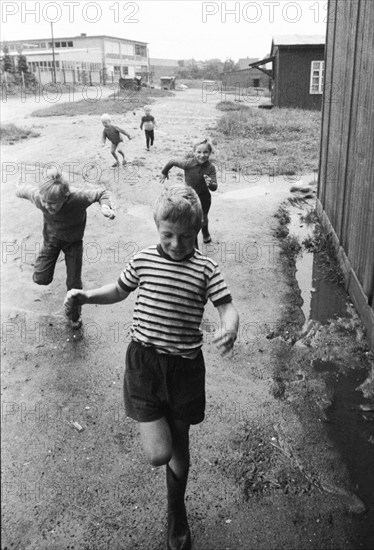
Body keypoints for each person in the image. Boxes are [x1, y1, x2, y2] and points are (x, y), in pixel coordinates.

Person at [64, 184, 239, 549]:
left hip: (186, 369)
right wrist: (86, 296)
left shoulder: (206, 267)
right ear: (157, 227)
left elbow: (226, 307)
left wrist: (230, 327)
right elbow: (118, 289)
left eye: (187, 236)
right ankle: (174, 498)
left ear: (198, 229)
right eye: (168, 235)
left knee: (181, 444)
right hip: (144, 364)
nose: (177, 244)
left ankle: (177, 511)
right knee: (160, 452)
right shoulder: (144, 259)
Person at [16, 167, 115, 329]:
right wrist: (18, 187)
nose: (47, 206)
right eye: (44, 201)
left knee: (74, 283)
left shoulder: (77, 198)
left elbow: (101, 193)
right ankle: (44, 271)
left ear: (65, 197)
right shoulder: (40, 198)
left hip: (73, 243)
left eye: (53, 203)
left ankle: (74, 316)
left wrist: (105, 207)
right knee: (41, 278)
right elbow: (24, 191)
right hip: (52, 240)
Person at [159, 138, 217, 244]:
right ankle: (194, 246)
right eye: (199, 152)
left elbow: (214, 187)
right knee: (191, 221)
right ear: (194, 152)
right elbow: (172, 161)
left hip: (204, 198)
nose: (202, 155)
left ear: (210, 153)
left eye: (205, 152)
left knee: (203, 219)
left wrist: (210, 184)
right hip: (189, 197)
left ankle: (205, 233)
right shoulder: (188, 164)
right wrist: (164, 172)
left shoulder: (211, 168)